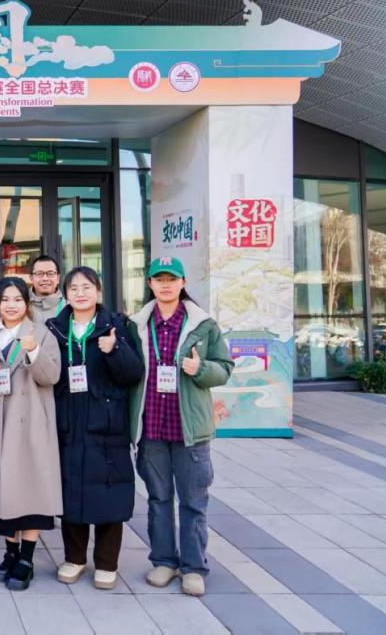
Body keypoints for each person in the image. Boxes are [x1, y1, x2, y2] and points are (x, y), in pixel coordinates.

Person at [130, 256, 233, 598]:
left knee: (193, 502)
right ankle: (163, 561)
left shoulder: (203, 325)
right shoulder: (137, 325)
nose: (165, 285)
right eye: (159, 279)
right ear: (150, 284)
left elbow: (225, 368)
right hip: (152, 430)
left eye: (171, 279)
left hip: (190, 431)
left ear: (183, 283)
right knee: (159, 500)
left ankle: (193, 567)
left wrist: (200, 369)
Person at [47, 266, 143, 590]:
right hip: (68, 422)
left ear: (98, 291)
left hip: (107, 425)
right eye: (73, 288)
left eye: (86, 287)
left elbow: (133, 374)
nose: (80, 293)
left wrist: (115, 349)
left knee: (109, 492)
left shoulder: (116, 326)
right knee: (71, 491)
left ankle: (106, 563)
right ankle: (74, 558)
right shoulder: (55, 329)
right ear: (65, 294)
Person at [0, 277, 61, 591]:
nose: (11, 305)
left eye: (17, 299)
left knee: (30, 491)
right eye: (5, 299)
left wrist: (34, 351)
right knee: (4, 493)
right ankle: (10, 553)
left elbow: (52, 376)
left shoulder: (41, 333)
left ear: (26, 302)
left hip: (30, 425)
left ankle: (27, 559)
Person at [28, 255, 65, 324]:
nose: (45, 278)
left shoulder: (68, 307)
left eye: (50, 274)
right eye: (39, 274)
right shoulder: (21, 305)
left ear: (58, 278)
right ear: (31, 278)